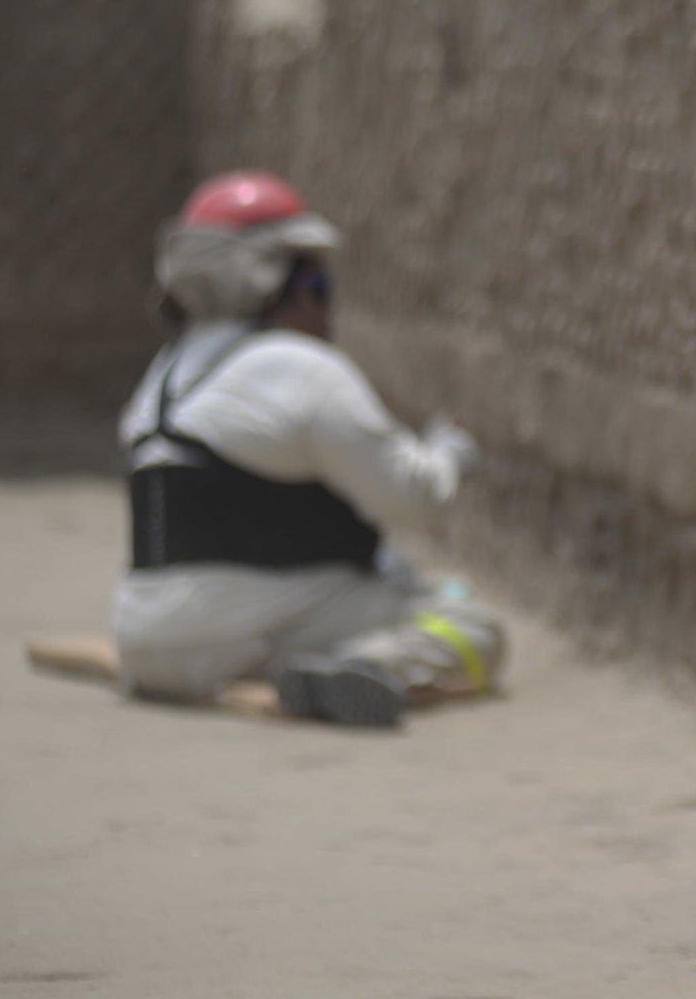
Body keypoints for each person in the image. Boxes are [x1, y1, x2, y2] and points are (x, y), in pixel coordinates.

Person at [111, 170, 503, 728]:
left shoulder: (162, 377)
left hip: (144, 645)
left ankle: (309, 667)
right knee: (472, 630)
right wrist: (450, 456)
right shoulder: (303, 369)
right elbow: (409, 494)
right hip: (246, 633)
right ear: (277, 284)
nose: (326, 309)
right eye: (319, 288)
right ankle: (359, 666)